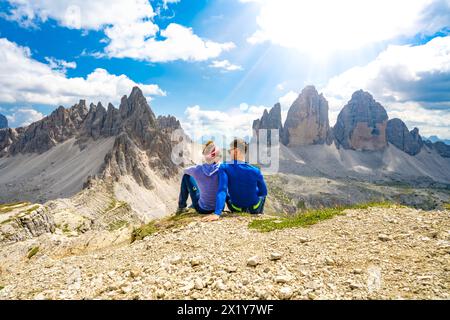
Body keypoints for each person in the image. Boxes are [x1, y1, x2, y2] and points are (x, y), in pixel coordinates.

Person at [203, 138, 268, 222]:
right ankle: (259, 213)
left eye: (230, 151)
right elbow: (263, 192)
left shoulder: (224, 167)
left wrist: (217, 213)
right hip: (254, 209)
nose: (229, 153)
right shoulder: (256, 170)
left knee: (225, 194)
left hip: (236, 208)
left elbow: (222, 190)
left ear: (236, 151)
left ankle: (221, 209)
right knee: (259, 192)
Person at [177, 141, 221, 215]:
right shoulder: (223, 168)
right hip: (218, 208)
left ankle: (181, 207)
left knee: (186, 176)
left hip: (202, 209)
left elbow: (185, 171)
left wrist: (196, 169)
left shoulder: (197, 169)